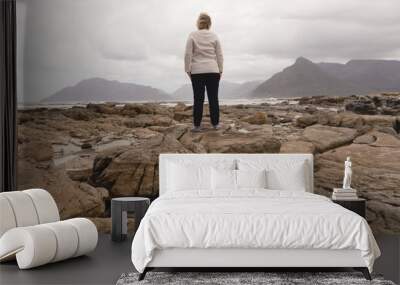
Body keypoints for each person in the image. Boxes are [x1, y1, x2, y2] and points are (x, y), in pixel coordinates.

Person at [184, 12, 223, 132]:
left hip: (197, 71)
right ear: (209, 24)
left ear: (198, 22)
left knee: (198, 99)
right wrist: (220, 70)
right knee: (213, 98)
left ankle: (197, 126)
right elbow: (219, 55)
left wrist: (187, 70)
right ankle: (215, 124)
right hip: (213, 70)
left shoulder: (192, 35)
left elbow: (187, 54)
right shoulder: (214, 36)